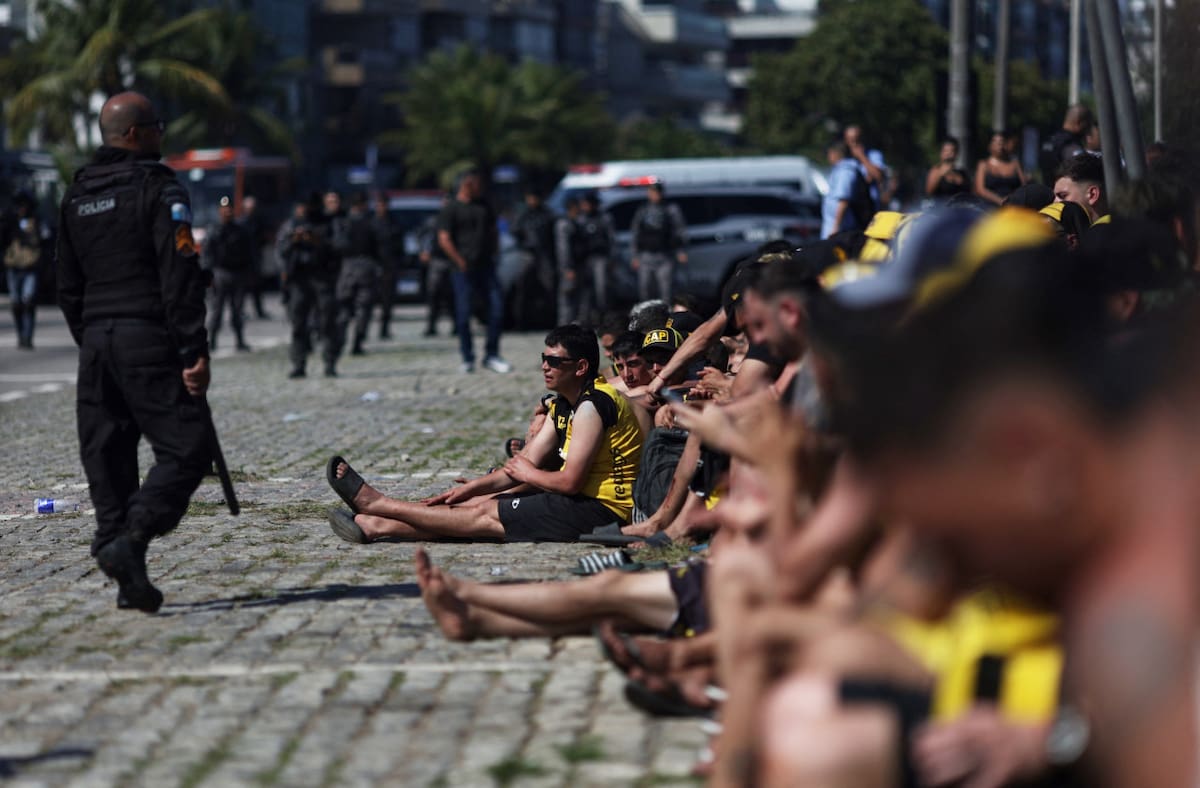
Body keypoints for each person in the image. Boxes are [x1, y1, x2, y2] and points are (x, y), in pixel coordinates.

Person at [55, 91, 213, 613]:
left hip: (97, 342)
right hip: (147, 337)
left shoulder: (78, 194)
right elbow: (180, 274)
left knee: (108, 455)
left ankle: (123, 566)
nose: (161, 135)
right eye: (156, 126)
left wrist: (94, 338)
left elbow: (66, 285)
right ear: (133, 134)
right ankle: (133, 538)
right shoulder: (159, 189)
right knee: (187, 449)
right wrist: (193, 349)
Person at [324, 324, 644, 543]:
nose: (545, 366)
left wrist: (527, 473)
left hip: (604, 511)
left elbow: (568, 480)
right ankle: (374, 525)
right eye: (543, 359)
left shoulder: (593, 405)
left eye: (554, 361)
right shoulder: (564, 404)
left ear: (581, 367)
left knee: (485, 515)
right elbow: (525, 462)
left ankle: (379, 505)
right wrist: (476, 487)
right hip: (580, 498)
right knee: (478, 504)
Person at [438, 168, 510, 374]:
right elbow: (444, 238)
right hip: (463, 269)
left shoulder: (484, 206)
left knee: (496, 308)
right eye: (477, 184)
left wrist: (495, 251)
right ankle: (468, 356)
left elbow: (493, 230)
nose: (480, 188)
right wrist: (459, 260)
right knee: (463, 314)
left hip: (486, 265)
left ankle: (492, 354)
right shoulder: (451, 208)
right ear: (466, 184)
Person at [277, 195, 339, 378]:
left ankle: (329, 363)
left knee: (327, 322)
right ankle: (298, 363)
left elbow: (338, 247)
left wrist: (317, 241)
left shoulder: (328, 224)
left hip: (322, 277)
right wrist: (293, 240)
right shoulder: (291, 226)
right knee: (298, 324)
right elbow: (281, 250)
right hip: (299, 279)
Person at [333, 191, 384, 357]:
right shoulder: (371, 222)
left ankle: (339, 341)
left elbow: (337, 246)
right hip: (366, 266)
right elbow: (380, 246)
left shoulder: (343, 223)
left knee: (344, 307)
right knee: (363, 308)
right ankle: (357, 342)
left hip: (347, 267)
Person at [202, 195, 254, 352]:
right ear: (220, 211)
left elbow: (249, 253)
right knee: (217, 309)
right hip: (220, 272)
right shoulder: (214, 230)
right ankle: (213, 340)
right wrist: (207, 274)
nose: (227, 212)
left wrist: (250, 272)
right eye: (224, 210)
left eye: (229, 210)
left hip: (237, 273)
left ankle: (239, 340)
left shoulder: (240, 230)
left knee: (237, 310)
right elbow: (207, 254)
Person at [3, 192, 46, 349]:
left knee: (28, 301)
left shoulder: (37, 221)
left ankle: (28, 336)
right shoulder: (11, 221)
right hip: (13, 266)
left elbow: (45, 241)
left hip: (30, 266)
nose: (22, 208)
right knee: (16, 303)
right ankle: (20, 334)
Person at [630, 183, 686, 304]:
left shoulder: (670, 209)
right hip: (646, 255)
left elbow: (679, 230)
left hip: (665, 255)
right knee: (645, 289)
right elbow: (636, 233)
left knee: (666, 289)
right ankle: (645, 317)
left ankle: (666, 318)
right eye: (652, 192)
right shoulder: (643, 210)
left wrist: (680, 250)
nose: (655, 195)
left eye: (657, 192)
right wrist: (635, 255)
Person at [510, 188, 558, 329]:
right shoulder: (523, 215)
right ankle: (520, 322)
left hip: (545, 255)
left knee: (550, 288)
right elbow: (515, 231)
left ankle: (551, 320)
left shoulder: (547, 214)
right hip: (528, 254)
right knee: (522, 287)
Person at [417, 193, 455, 337]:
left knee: (453, 295)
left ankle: (457, 325)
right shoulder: (434, 221)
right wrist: (423, 251)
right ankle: (431, 325)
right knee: (433, 294)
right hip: (437, 260)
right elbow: (422, 236)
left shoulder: (456, 221)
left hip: (453, 260)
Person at [578, 191, 616, 323]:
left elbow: (611, 239)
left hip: (601, 258)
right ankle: (586, 318)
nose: (585, 206)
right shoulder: (581, 219)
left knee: (602, 290)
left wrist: (612, 258)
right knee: (586, 291)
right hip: (585, 259)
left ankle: (604, 317)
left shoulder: (604, 218)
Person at [822, 141, 868, 239]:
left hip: (840, 229)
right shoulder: (839, 170)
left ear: (835, 153)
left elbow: (844, 200)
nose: (828, 157)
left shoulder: (845, 171)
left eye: (829, 153)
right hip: (836, 227)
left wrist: (836, 226)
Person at [1039, 103, 1094, 184]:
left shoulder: (1050, 140)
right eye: (1088, 125)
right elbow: (1082, 170)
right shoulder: (1070, 145)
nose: (1089, 131)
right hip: (1065, 193)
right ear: (1079, 123)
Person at [238, 194, 271, 320]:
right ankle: (240, 311)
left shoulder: (258, 221)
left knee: (257, 287)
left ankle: (259, 310)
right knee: (242, 288)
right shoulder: (241, 222)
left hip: (255, 257)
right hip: (244, 259)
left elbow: (263, 238)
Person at [975, 130, 1028, 205]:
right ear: (990, 145)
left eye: (1002, 142)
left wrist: (1013, 199)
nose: (1000, 146)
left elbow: (1024, 186)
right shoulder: (983, 165)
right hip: (989, 206)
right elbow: (980, 189)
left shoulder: (1015, 164)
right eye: (996, 143)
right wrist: (1000, 200)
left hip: (1013, 205)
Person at [1054, 153, 1108, 224]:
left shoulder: (1120, 232)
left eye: (1063, 196)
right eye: (1054, 197)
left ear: (1092, 194)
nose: (1055, 203)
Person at [554, 197, 585, 325]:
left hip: (576, 266)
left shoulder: (575, 223)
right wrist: (568, 268)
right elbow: (563, 249)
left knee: (576, 299)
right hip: (569, 268)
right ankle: (563, 327)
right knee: (567, 297)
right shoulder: (564, 224)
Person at [372, 196, 397, 340]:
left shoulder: (392, 222)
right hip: (373, 264)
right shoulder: (371, 222)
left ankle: (384, 328)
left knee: (387, 300)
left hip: (389, 264)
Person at [924, 137, 970, 201]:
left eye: (951, 151)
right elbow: (928, 192)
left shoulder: (962, 173)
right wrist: (940, 174)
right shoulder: (935, 171)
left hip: (960, 207)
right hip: (941, 207)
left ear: (956, 154)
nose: (948, 154)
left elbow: (969, 193)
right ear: (941, 153)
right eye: (945, 151)